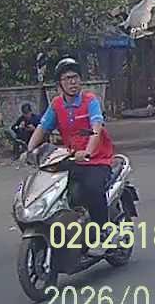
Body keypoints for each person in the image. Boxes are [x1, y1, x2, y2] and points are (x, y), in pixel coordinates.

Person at [26, 58, 115, 255]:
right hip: (71, 158)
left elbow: (96, 128)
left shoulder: (90, 101)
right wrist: (29, 150)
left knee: (92, 188)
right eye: (67, 79)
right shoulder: (56, 105)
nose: (72, 82)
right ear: (60, 84)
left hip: (97, 159)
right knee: (54, 188)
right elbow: (42, 128)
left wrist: (88, 151)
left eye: (75, 77)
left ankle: (104, 233)